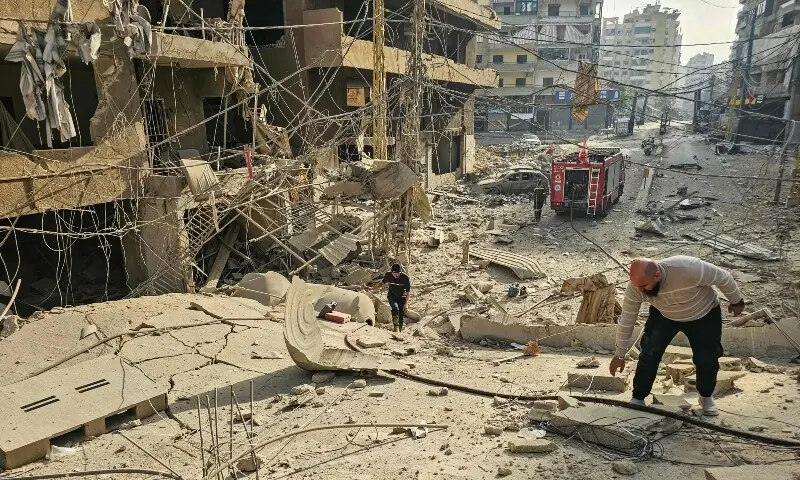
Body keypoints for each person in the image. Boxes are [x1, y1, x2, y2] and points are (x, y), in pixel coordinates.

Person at [610, 256, 745, 416]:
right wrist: (619, 354)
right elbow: (627, 319)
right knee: (649, 353)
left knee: (707, 357)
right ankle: (638, 397)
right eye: (637, 286)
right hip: (664, 315)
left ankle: (706, 397)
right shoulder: (636, 287)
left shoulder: (688, 268)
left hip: (703, 313)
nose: (640, 291)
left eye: (644, 286)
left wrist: (736, 302)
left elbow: (724, 278)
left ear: (657, 275)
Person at [381, 263, 411, 332]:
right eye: (394, 274)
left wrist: (406, 303)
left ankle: (399, 330)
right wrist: (372, 288)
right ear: (392, 272)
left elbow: (408, 292)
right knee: (395, 308)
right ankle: (395, 328)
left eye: (398, 273)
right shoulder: (388, 275)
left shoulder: (405, 278)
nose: (396, 275)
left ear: (400, 272)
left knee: (401, 315)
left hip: (402, 297)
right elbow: (381, 283)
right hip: (392, 296)